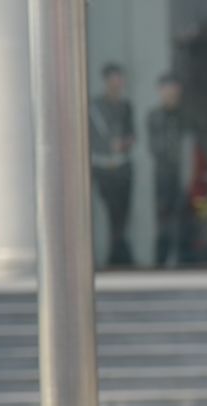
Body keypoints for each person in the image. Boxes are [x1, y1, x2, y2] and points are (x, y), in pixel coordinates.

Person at [90, 62, 136, 266]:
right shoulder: (95, 108)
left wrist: (124, 143)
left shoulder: (126, 106)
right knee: (112, 211)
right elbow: (91, 137)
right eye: (114, 78)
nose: (118, 83)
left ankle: (118, 252)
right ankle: (115, 255)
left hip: (122, 166)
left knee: (122, 214)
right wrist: (108, 146)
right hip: (103, 167)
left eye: (120, 78)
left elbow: (132, 135)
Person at [147, 73, 195, 266]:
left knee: (183, 222)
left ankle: (183, 261)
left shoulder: (185, 116)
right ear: (160, 91)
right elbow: (155, 148)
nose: (170, 94)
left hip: (183, 176)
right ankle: (161, 263)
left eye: (173, 89)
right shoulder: (154, 116)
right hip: (163, 176)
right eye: (166, 90)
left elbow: (189, 148)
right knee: (164, 223)